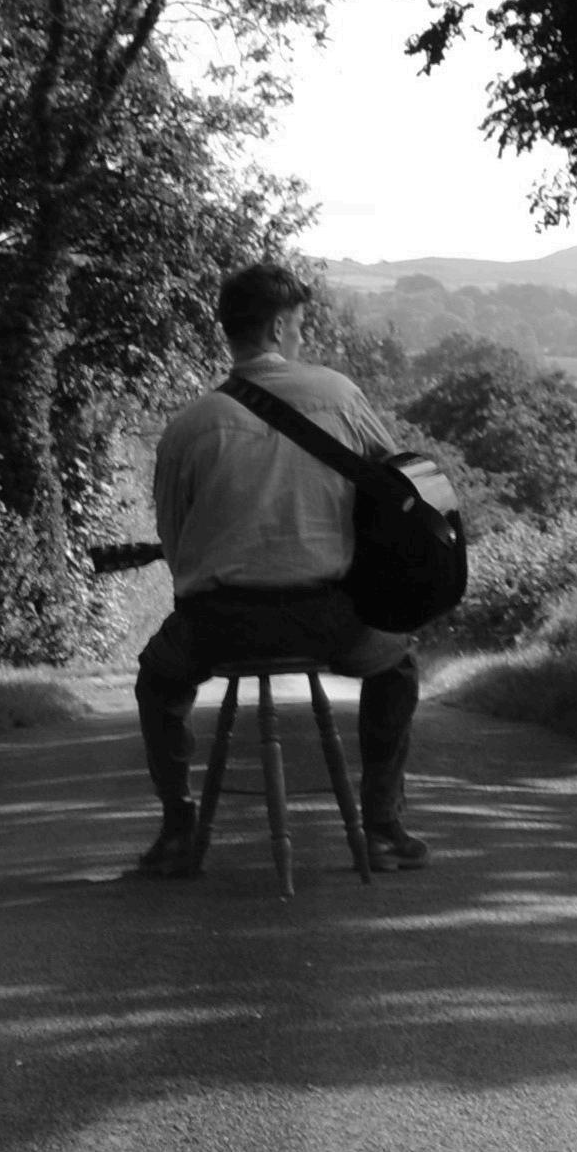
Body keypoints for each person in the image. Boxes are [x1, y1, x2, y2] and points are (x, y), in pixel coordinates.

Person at [132, 261, 428, 876]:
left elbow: (174, 541)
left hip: (218, 625)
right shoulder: (339, 396)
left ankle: (179, 829)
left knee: (157, 681)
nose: (300, 337)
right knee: (397, 665)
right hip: (329, 620)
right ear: (275, 327)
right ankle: (381, 826)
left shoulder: (188, 427)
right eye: (297, 326)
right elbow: (395, 489)